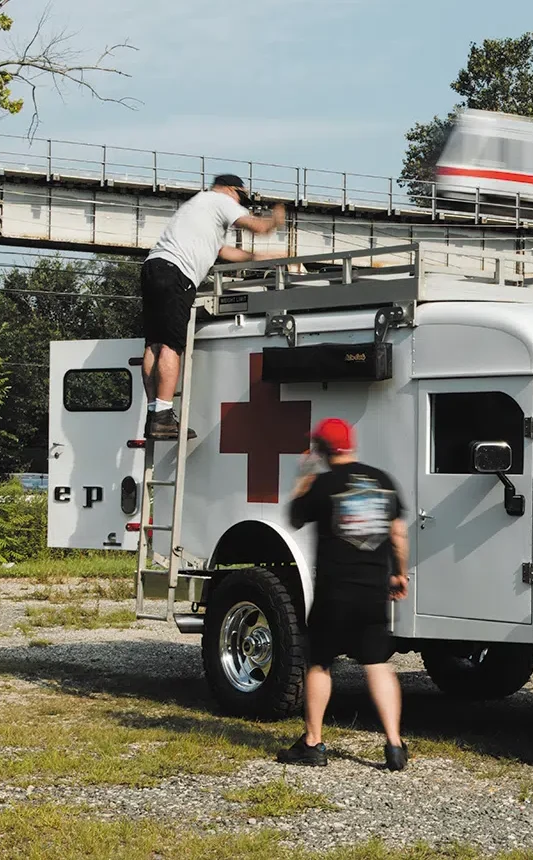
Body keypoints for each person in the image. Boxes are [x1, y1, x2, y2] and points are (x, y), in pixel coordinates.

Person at [277, 417, 411, 770]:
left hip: (334, 595)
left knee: (320, 664)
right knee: (379, 664)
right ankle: (395, 745)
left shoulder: (321, 484)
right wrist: (398, 573)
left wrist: (303, 476)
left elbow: (293, 517)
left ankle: (314, 744)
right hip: (372, 593)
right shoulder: (382, 481)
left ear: (321, 450)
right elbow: (398, 533)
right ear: (351, 445)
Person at [140, 174, 287, 439]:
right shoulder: (219, 199)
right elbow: (258, 227)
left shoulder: (199, 209)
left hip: (154, 268)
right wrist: (275, 219)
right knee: (171, 345)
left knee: (153, 344)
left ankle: (154, 414)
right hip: (177, 273)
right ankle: (163, 418)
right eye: (242, 199)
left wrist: (266, 258)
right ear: (232, 190)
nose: (241, 205)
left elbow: (226, 253)